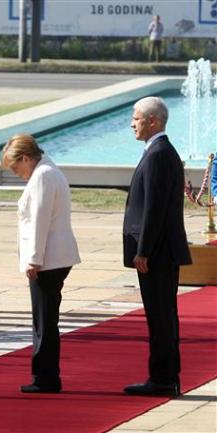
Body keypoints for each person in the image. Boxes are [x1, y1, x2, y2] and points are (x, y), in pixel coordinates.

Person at [1, 134, 80, 393]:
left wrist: (33, 259)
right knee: (45, 319)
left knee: (44, 321)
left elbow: (39, 220)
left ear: (26, 158)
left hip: (48, 259)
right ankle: (45, 374)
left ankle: (45, 377)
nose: (16, 173)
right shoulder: (47, 170)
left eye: (16, 167)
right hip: (53, 257)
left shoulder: (43, 175)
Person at [123, 96, 191, 397]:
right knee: (163, 316)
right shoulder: (158, 152)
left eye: (136, 118)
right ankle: (165, 376)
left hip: (157, 254)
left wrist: (144, 251)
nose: (132, 124)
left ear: (153, 121)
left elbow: (155, 208)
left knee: (161, 317)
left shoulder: (160, 154)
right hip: (160, 251)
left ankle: (162, 378)